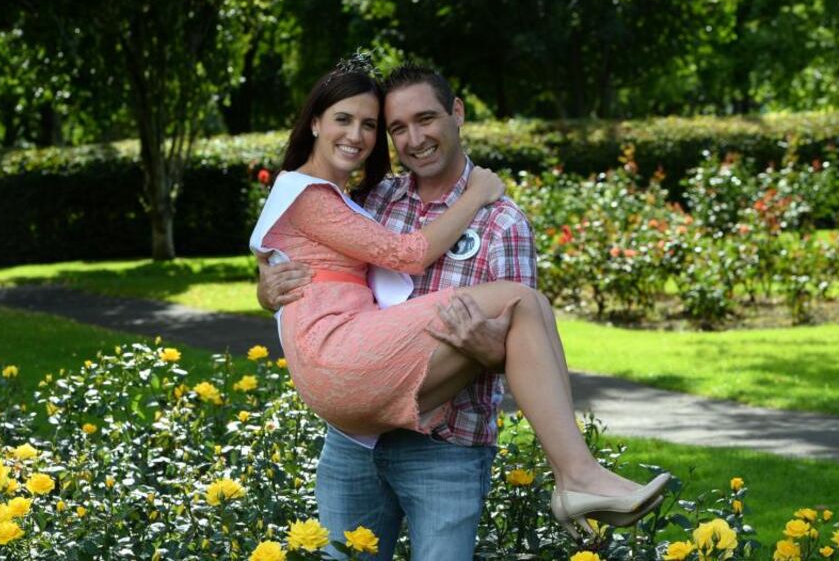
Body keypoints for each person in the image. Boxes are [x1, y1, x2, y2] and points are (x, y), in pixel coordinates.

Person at [253, 62, 667, 559]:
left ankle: (578, 476)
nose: (413, 138)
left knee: (522, 304)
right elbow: (315, 254)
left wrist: (484, 345)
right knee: (523, 299)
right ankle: (577, 476)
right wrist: (267, 286)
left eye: (425, 119)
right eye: (397, 128)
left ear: (457, 113)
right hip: (355, 442)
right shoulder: (371, 199)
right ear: (317, 122)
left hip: (444, 446)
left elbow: (515, 350)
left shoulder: (503, 222)